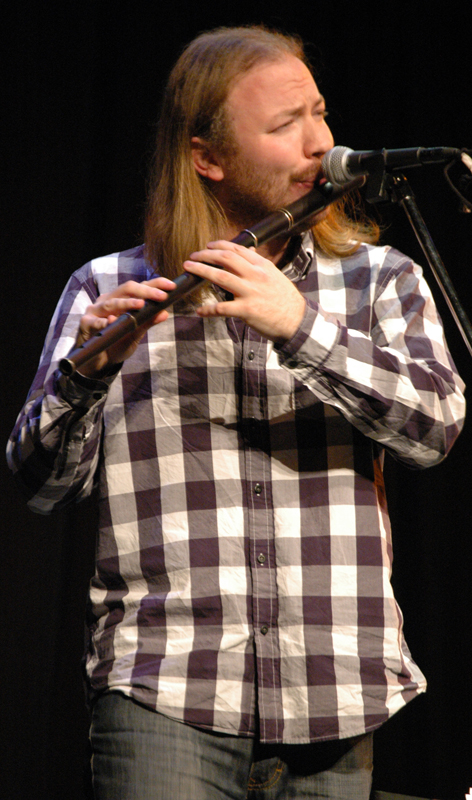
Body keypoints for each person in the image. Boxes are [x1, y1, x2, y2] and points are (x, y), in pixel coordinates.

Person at [7, 25, 466, 800]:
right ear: (207, 158)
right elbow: (41, 485)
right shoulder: (103, 288)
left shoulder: (379, 281)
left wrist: (302, 328)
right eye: (285, 126)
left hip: (335, 692)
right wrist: (87, 373)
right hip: (166, 692)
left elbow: (437, 431)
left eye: (319, 113)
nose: (321, 144)